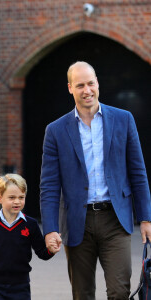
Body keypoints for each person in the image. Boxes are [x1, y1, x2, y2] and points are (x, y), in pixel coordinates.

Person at [40, 61, 151, 299]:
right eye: (80, 85)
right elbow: (49, 186)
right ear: (70, 88)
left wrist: (146, 218)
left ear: (97, 83)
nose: (87, 90)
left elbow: (138, 172)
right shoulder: (56, 130)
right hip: (76, 221)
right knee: (83, 294)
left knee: (120, 291)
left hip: (115, 219)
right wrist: (50, 229)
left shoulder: (124, 119)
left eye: (91, 83)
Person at [0, 173, 58, 300]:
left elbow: (42, 253)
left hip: (21, 287)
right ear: (0, 198)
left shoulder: (31, 224)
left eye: (21, 197)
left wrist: (50, 250)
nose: (17, 201)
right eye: (12, 197)